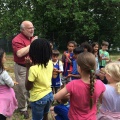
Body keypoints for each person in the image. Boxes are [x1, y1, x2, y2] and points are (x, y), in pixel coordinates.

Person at [54, 52, 105, 120]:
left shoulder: (73, 84)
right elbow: (102, 101)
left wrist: (67, 95)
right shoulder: (100, 84)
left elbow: (56, 97)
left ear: (79, 68)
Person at [12, 20, 38, 119]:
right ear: (23, 30)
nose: (32, 30)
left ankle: (30, 103)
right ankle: (23, 108)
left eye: (32, 27)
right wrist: (32, 44)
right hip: (22, 67)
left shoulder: (32, 38)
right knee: (22, 88)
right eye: (29, 28)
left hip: (33, 66)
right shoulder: (17, 39)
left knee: (32, 86)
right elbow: (19, 53)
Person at [25, 38, 53, 120]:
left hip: (38, 98)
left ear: (33, 53)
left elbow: (28, 87)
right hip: (49, 95)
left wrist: (27, 68)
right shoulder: (50, 63)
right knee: (45, 115)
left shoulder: (33, 69)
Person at [0, 48, 18, 120]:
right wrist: (13, 83)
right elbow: (11, 84)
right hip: (5, 96)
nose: (6, 59)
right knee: (3, 111)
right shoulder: (3, 73)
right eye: (4, 57)